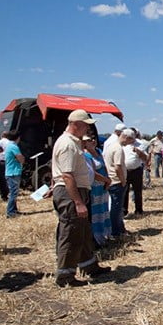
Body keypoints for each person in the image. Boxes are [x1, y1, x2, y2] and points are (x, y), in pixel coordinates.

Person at [51, 109, 110, 287]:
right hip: (71, 194)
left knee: (83, 232)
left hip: (77, 191)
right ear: (76, 124)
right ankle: (65, 276)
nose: (88, 130)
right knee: (71, 234)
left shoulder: (73, 142)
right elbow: (67, 176)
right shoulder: (67, 144)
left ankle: (89, 266)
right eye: (86, 126)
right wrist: (78, 202)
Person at [83, 135, 112, 246]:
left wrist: (108, 180)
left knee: (103, 210)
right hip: (94, 187)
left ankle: (105, 235)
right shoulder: (86, 155)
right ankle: (96, 238)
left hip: (103, 187)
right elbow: (93, 173)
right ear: (85, 143)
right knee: (96, 213)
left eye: (94, 139)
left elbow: (105, 167)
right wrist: (106, 180)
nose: (93, 141)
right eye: (90, 140)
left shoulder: (99, 152)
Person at [104, 129, 130, 238]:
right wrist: (123, 180)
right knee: (117, 208)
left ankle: (119, 228)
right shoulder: (118, 148)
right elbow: (118, 166)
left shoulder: (111, 146)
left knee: (116, 207)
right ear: (126, 137)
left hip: (112, 180)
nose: (129, 143)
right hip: (117, 181)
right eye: (130, 140)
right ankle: (116, 231)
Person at [123, 127, 148, 216]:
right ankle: (124, 210)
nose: (131, 139)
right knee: (124, 191)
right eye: (129, 137)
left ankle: (138, 210)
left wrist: (138, 152)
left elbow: (145, 158)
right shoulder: (122, 144)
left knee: (137, 191)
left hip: (136, 170)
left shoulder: (140, 144)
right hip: (125, 171)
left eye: (132, 137)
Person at [4, 130, 24, 218]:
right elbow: (20, 158)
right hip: (13, 172)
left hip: (11, 171)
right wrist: (22, 160)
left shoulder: (9, 146)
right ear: (18, 137)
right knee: (13, 193)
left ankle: (14, 210)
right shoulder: (14, 146)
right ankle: (10, 212)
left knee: (14, 192)